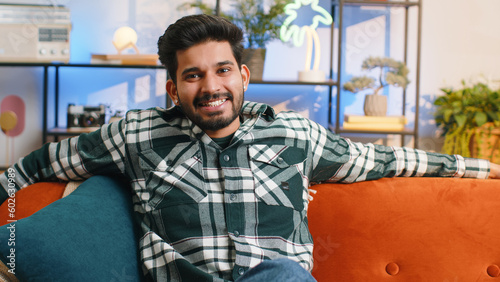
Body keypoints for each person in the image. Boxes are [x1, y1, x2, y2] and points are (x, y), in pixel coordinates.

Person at [1, 14, 499, 282]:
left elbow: (388, 160)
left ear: (242, 76)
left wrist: (483, 169)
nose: (210, 86)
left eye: (221, 71)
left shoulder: (295, 135)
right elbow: (40, 163)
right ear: (173, 89)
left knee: (282, 276)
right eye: (192, 75)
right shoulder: (134, 135)